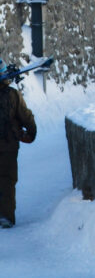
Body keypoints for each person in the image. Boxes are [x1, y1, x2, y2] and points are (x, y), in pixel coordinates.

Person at [0, 58, 36, 229]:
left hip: (8, 143)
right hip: (8, 145)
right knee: (7, 179)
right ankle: (5, 216)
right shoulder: (13, 95)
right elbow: (25, 116)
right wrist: (31, 132)